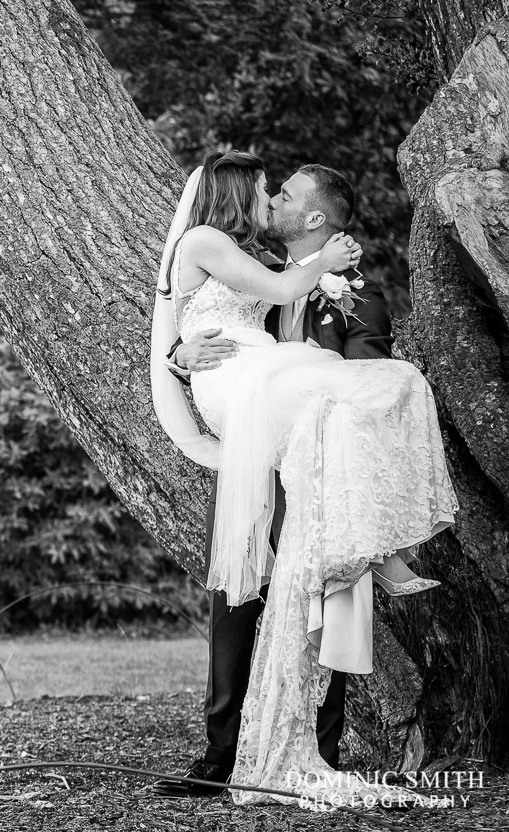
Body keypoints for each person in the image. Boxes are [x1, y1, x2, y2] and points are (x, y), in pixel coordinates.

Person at [147, 152, 458, 809]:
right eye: (271, 192)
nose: (274, 203)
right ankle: (219, 756)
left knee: (324, 596)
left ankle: (315, 750)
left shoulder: (357, 294)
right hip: (249, 460)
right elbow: (202, 316)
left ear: (315, 217)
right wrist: (178, 353)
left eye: (285, 195)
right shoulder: (253, 266)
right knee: (234, 603)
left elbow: (362, 389)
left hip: (314, 474)